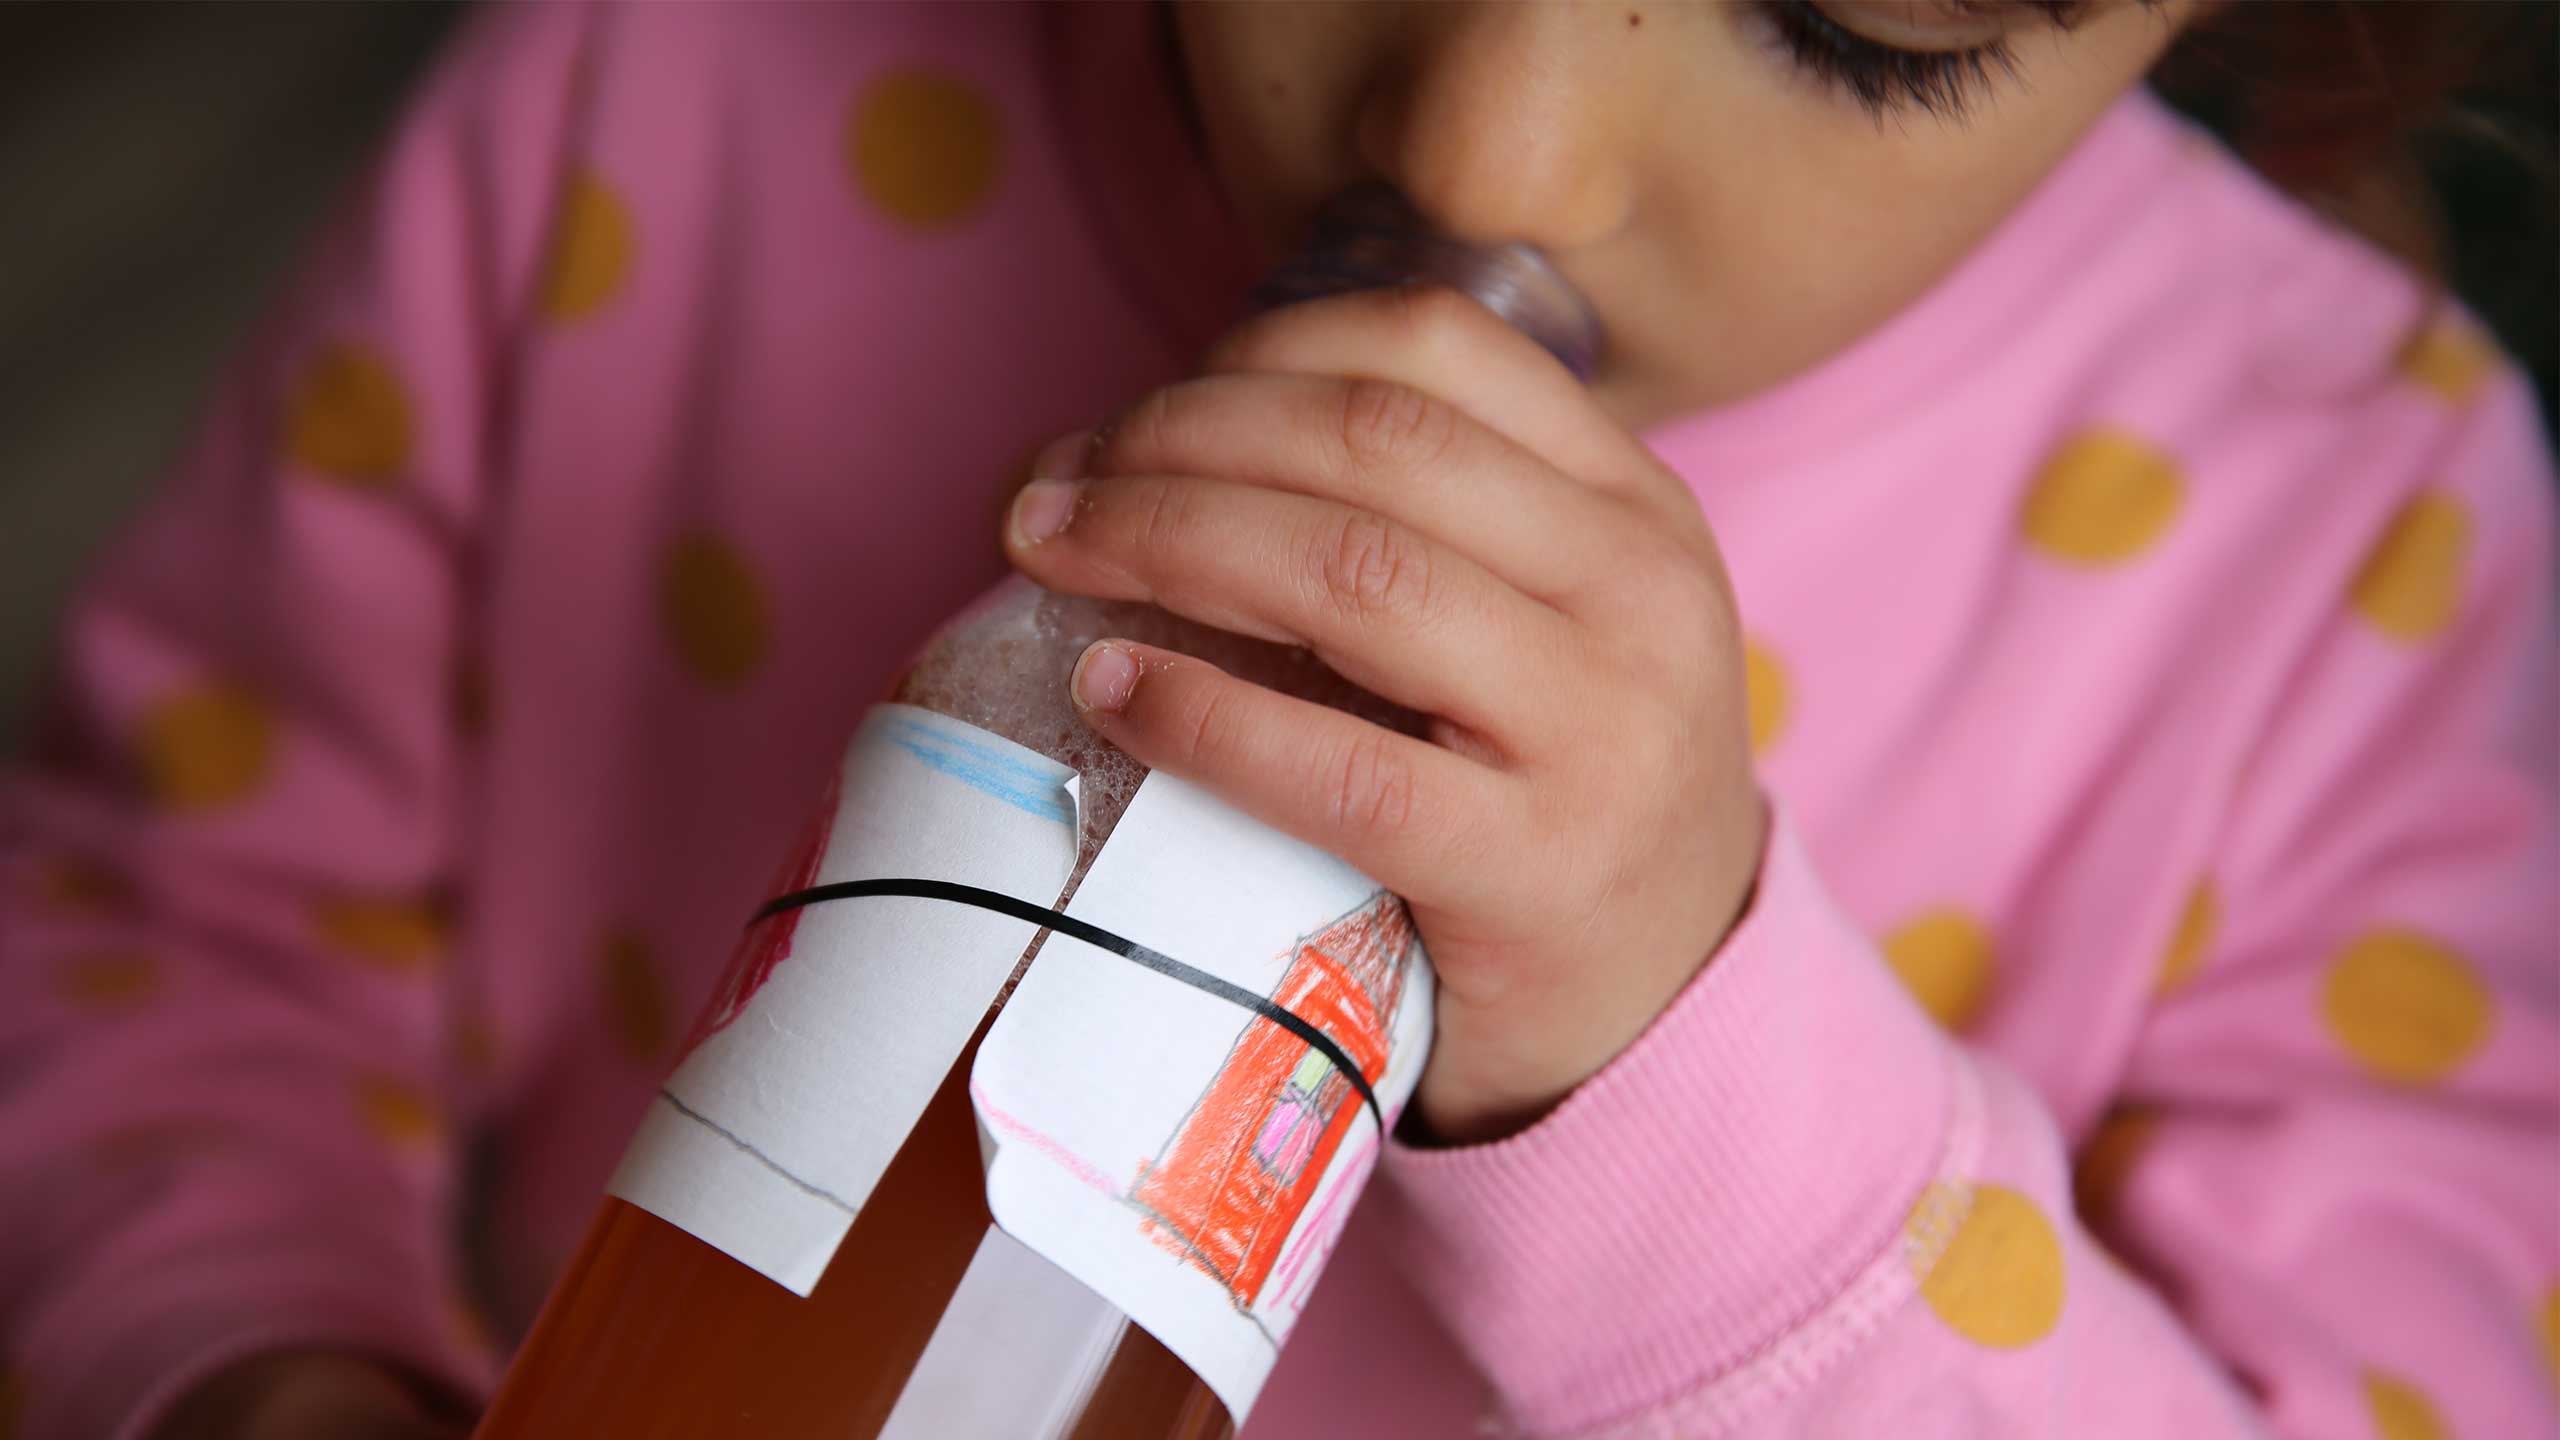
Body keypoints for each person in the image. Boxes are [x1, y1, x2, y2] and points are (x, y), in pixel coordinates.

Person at [2, 2, 2550, 1436]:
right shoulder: (678, 72)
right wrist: (258, 1361)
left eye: (1866, 25)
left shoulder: (2346, 553)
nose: (1490, 143)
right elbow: (156, 916)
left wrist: (1694, 1082)